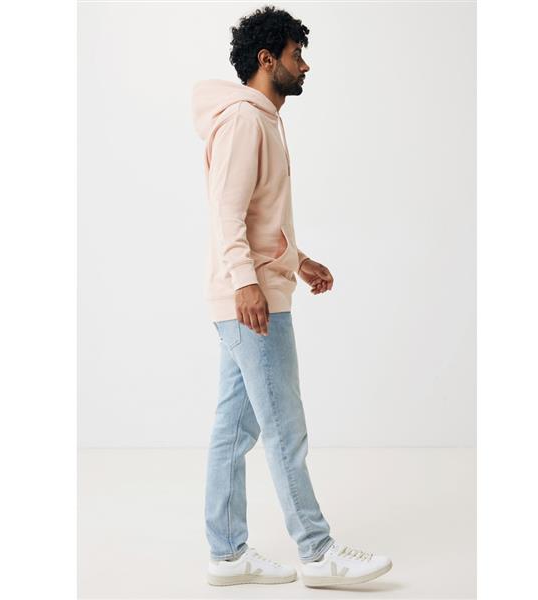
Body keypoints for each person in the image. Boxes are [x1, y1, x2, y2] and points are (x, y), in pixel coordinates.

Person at [191, 5, 392, 588]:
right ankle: (318, 551)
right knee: (284, 425)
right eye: (296, 55)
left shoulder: (264, 121)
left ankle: (227, 555)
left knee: (237, 429)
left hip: (255, 290)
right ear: (266, 59)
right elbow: (226, 213)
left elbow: (261, 217)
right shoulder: (244, 121)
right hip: (251, 300)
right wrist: (246, 282)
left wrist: (298, 261)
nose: (304, 66)